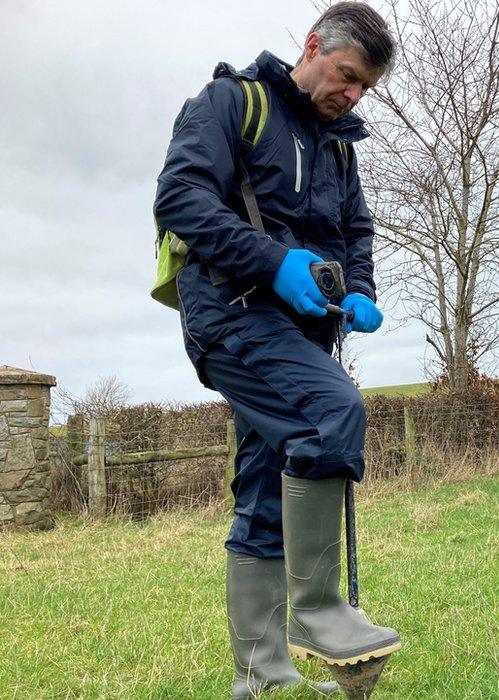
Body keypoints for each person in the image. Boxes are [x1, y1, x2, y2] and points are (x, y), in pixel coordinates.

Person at [153, 4, 399, 697]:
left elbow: (355, 230)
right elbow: (180, 198)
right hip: (230, 313)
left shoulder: (338, 146)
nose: (351, 96)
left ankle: (261, 677)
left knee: (266, 490)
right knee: (331, 413)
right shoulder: (233, 104)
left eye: (363, 90)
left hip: (302, 332)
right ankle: (320, 614)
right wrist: (272, 263)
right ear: (314, 46)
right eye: (347, 77)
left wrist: (361, 288)